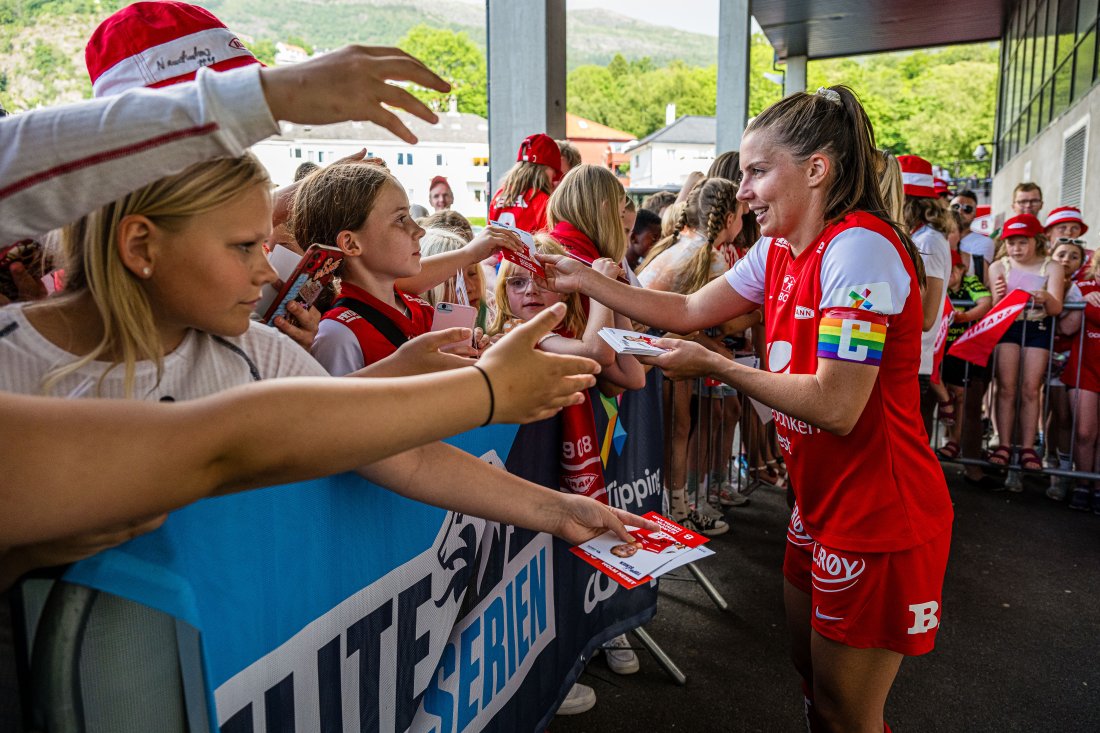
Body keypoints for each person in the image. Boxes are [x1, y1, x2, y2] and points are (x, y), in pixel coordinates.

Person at [540, 85, 953, 733]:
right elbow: (684, 311)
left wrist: (718, 366)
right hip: (820, 506)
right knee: (814, 684)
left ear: (817, 170)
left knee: (850, 709)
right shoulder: (779, 250)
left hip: (881, 518)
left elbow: (838, 406)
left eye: (758, 172)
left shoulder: (860, 248)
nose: (744, 191)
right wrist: (580, 276)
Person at [294, 163, 520, 374]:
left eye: (410, 216)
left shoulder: (420, 309)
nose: (418, 230)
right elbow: (338, 413)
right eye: (401, 219)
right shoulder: (338, 335)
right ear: (352, 244)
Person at [987, 214, 1064, 471]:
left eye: (1022, 242)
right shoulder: (998, 266)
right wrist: (997, 296)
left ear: (1036, 241)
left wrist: (1045, 297)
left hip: (1038, 327)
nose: (1016, 248)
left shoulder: (1052, 266)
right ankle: (1004, 444)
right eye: (1011, 243)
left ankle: (1029, 447)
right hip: (1008, 327)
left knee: (1031, 388)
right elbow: (994, 306)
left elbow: (1056, 307)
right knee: (1006, 387)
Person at [898, 154, 952, 435]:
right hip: (910, 361)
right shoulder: (922, 237)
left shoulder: (927, 240)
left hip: (912, 362)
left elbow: (926, 316)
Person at [1058, 249, 1100, 511]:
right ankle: (1083, 483)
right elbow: (1065, 328)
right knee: (1085, 431)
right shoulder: (1082, 286)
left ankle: (1097, 488)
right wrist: (1083, 301)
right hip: (1085, 369)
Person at [488, 133, 562, 232]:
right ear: (545, 169)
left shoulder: (499, 195)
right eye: (554, 171)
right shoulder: (543, 201)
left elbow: (488, 234)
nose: (553, 177)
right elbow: (548, 243)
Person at [951, 189, 995, 282]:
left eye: (967, 209)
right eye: (955, 207)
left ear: (974, 214)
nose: (959, 211)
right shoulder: (935, 235)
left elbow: (978, 274)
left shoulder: (985, 242)